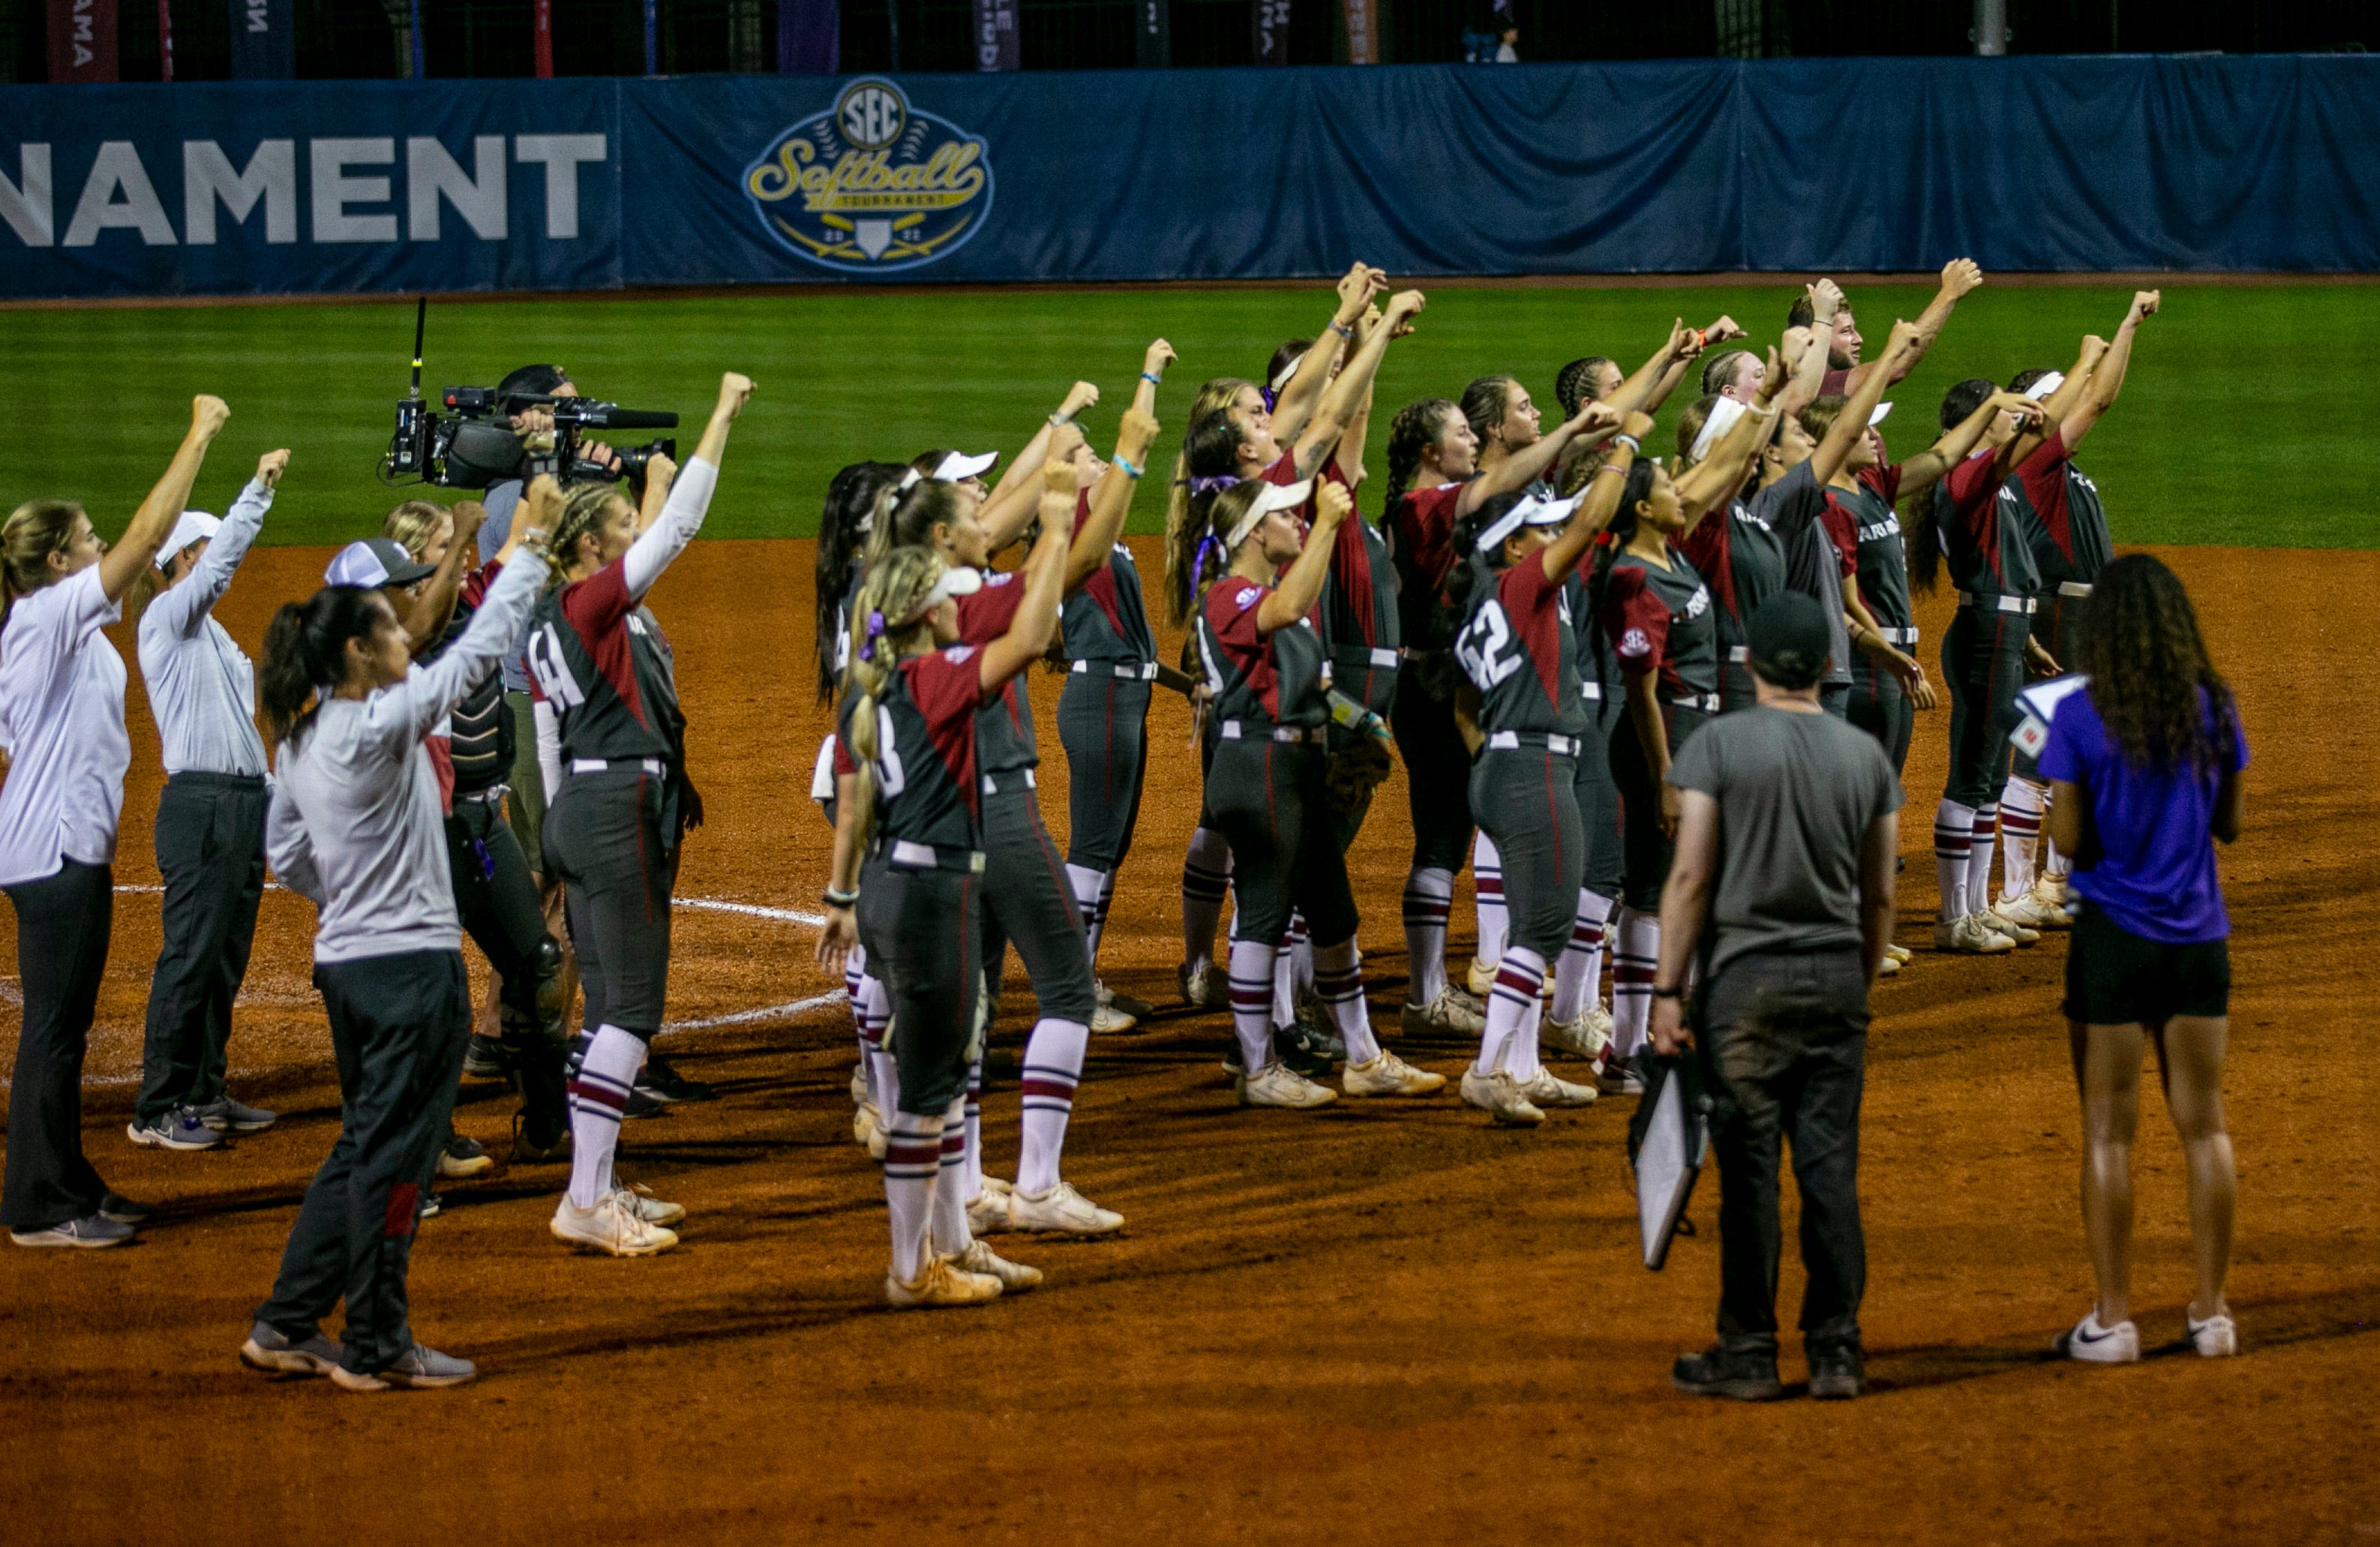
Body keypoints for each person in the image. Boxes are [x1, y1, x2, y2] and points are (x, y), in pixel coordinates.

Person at [240, 477, 554, 1390]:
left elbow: (288, 857)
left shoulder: (301, 740)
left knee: (360, 1147)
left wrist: (352, 890)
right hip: (411, 971)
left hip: (344, 963)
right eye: (386, 630)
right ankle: (377, 1342)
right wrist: (524, 545)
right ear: (355, 651)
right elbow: (474, 650)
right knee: (398, 1160)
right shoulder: (377, 728)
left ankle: (287, 1320)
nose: (401, 641)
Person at [815, 509, 1074, 1307]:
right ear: (927, 611)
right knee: (930, 1094)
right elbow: (1030, 639)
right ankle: (909, 1269)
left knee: (947, 1080)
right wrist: (1058, 529)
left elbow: (852, 802)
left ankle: (955, 1243)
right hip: (931, 899)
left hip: (891, 888)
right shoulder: (929, 678)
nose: (962, 602)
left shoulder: (873, 686)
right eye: (948, 594)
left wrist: (842, 894)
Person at [1652, 591, 1902, 1403]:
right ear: (1827, 665)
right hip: (1833, 977)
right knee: (1830, 1169)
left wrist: (1664, 991)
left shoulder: (1717, 744)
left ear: (1751, 661)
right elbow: (1879, 896)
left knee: (1748, 1174)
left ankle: (1749, 1350)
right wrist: (1855, 977)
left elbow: (1689, 878)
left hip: (1741, 988)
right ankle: (1835, 1351)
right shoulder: (1864, 755)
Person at [526, 371, 754, 1257]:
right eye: (622, 530)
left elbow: (547, 738)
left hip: (588, 804)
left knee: (603, 1013)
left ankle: (600, 1179)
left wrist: (552, 830)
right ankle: (584, 1201)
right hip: (616, 804)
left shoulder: (564, 613)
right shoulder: (588, 603)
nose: (640, 538)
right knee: (629, 1013)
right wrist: (722, 413)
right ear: (588, 547)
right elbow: (684, 527)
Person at [0, 395, 229, 1249]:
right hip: (53, 853)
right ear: (58, 562)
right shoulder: (49, 614)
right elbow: (142, 538)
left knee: (65, 1026)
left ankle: (69, 1179)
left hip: (61, 847)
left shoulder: (48, 628)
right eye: (86, 540)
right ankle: (35, 1207)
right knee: (54, 1034)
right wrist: (198, 433)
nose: (103, 547)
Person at [2039, 554, 2243, 1364]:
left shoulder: (2079, 716)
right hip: (2197, 937)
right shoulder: (2211, 707)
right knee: (2204, 1127)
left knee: (2106, 1134)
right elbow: (2227, 822)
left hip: (2112, 940)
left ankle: (2113, 1319)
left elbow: (2065, 840)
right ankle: (2211, 1313)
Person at [1444, 404, 1637, 1125]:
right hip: (1532, 769)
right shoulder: (1523, 586)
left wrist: (1492, 759)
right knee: (1545, 924)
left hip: (1504, 766)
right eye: (1540, 528)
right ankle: (1488, 1070)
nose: (1554, 534)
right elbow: (1588, 527)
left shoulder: (1486, 602)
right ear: (1511, 545)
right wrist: (1622, 450)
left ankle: (1522, 1066)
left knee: (1533, 920)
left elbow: (1466, 702)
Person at [382, 496, 574, 1167]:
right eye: (443, 547)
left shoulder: (470, 594)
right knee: (435, 997)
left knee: (535, 962)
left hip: (480, 821)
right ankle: (424, 1145)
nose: (460, 555)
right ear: (410, 562)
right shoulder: (401, 631)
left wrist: (540, 452)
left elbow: (519, 547)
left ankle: (547, 1122)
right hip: (428, 829)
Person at [128, 446, 288, 1152]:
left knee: (222, 959)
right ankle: (156, 1108)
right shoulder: (170, 617)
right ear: (184, 557)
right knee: (191, 958)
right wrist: (257, 491)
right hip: (203, 808)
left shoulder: (211, 635)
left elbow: (236, 733)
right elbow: (221, 567)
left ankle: (203, 1089)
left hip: (242, 803)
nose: (215, 556)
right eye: (206, 544)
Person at [1995, 290, 2159, 930]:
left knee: (2078, 750)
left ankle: (2056, 881)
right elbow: (2099, 397)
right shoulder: (2033, 460)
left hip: (2085, 617)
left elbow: (2094, 396)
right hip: (2056, 617)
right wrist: (2125, 326)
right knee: (2040, 751)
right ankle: (2020, 890)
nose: (2075, 400)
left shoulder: (2061, 468)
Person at [1911, 357, 2072, 954]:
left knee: (1986, 779)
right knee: (1972, 776)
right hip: (1983, 633)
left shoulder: (1988, 480)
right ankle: (1955, 917)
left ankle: (1975, 909)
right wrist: (2082, 366)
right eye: (2003, 411)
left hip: (2001, 629)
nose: (2015, 420)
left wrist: (2026, 636)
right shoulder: (1967, 477)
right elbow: (2041, 432)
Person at [1059, 342, 1175, 1026]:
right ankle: (1071, 994)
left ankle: (1085, 980)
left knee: (1113, 848)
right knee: (1093, 848)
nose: (1100, 462)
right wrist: (1148, 376)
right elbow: (1135, 454)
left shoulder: (1108, 539)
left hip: (1125, 692)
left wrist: (1190, 685)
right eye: (1085, 459)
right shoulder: (1078, 527)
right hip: (1101, 698)